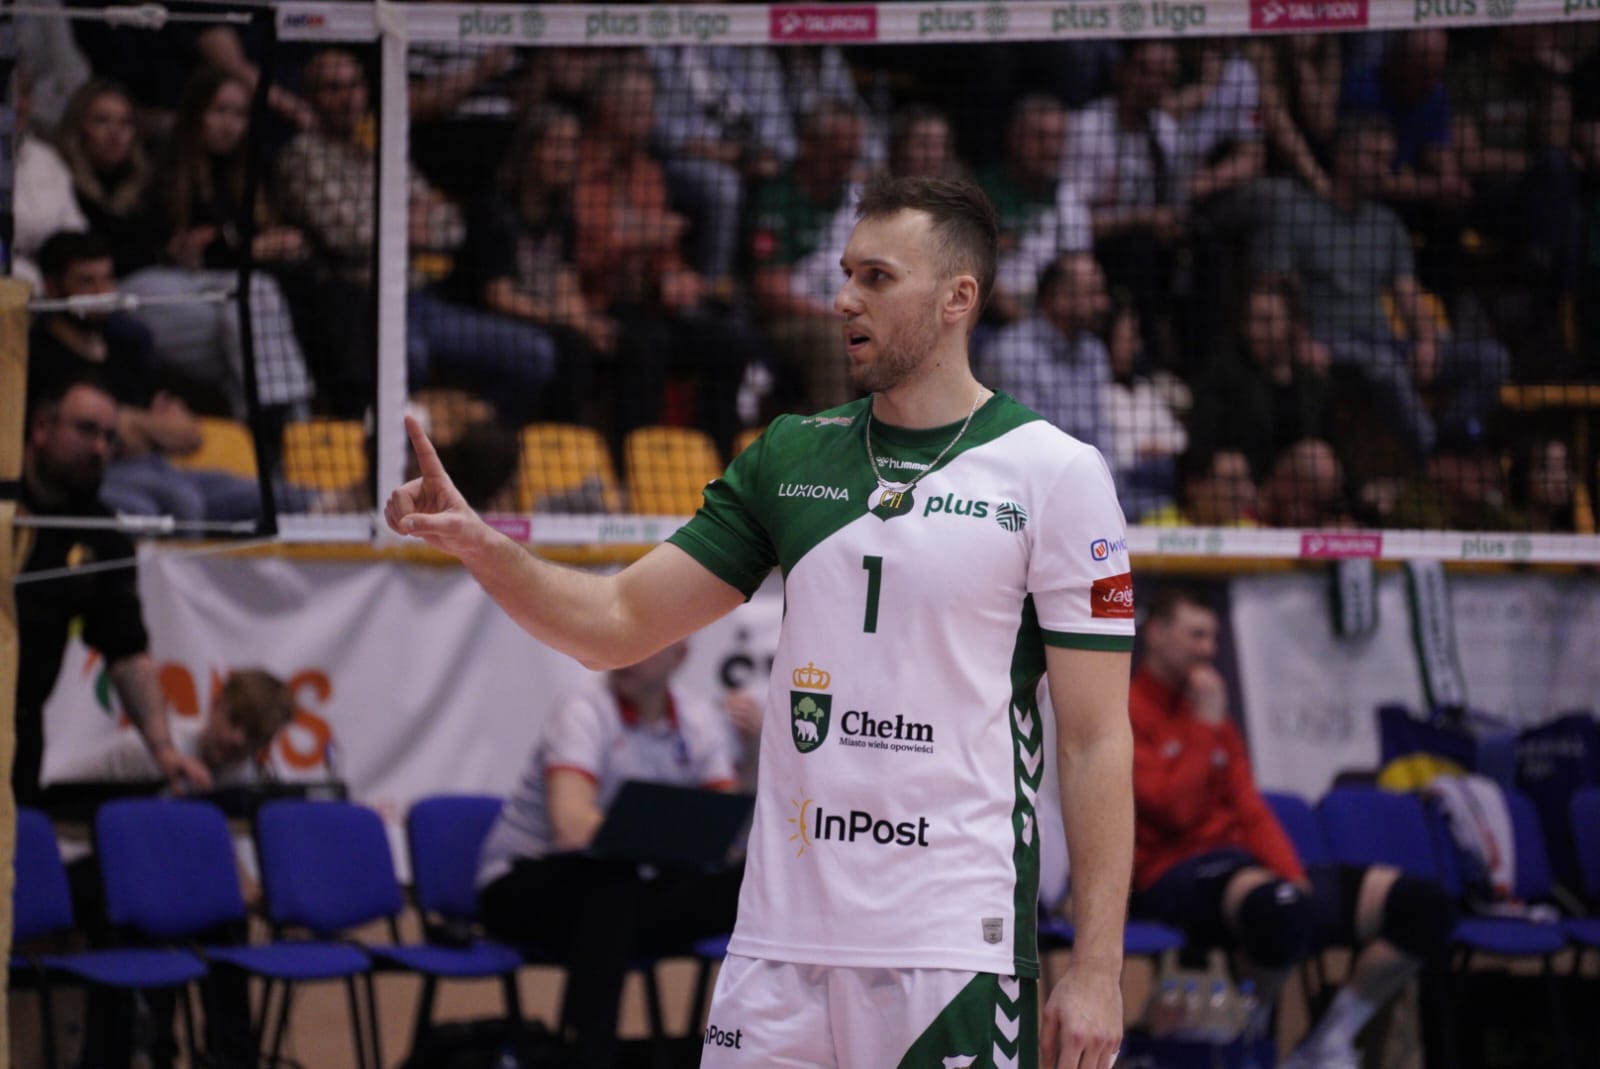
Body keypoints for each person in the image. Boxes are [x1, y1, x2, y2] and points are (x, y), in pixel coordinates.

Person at [388, 174, 1134, 1069]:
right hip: (778, 949)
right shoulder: (790, 454)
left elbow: (1094, 738)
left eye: (877, 277)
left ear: (957, 299)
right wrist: (481, 545)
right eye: (845, 273)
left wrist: (1098, 967)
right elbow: (615, 622)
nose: (844, 298)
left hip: (949, 947)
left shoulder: (1055, 474)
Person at [1130, 588, 1456, 1069]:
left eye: (1213, 637)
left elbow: (1251, 809)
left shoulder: (1212, 716)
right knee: (1277, 907)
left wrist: (1293, 875)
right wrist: (1202, 729)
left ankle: (1329, 1040)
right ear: (1156, 634)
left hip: (1242, 869)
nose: (1208, 649)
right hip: (1170, 875)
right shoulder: (1132, 711)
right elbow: (1173, 811)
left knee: (1424, 905)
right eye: (1196, 635)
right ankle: (1252, 1038)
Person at [476, 640, 745, 1069]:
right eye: (622, 641)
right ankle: (590, 1056)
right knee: (612, 880)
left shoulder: (698, 719)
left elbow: (724, 832)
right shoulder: (583, 710)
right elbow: (572, 828)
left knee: (747, 885)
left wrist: (753, 750)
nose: (627, 653)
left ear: (679, 656)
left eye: (644, 643)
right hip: (525, 887)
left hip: (630, 895)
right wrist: (679, 839)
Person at [15, 371, 211, 806]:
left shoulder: (102, 534)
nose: (100, 449)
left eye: (109, 437)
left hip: (18, 732)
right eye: (86, 430)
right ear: (41, 428)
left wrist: (163, 750)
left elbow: (127, 653)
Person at [30, 230, 264, 525]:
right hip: (100, 474)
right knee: (178, 503)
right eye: (87, 282)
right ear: (52, 288)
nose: (101, 293)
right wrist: (144, 428)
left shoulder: (128, 341)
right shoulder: (37, 353)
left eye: (107, 279)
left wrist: (137, 427)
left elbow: (187, 433)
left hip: (157, 466)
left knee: (268, 495)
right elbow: (111, 432)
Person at [50, 668, 293, 786]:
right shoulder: (148, 751)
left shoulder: (243, 774)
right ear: (215, 704)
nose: (238, 739)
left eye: (254, 734)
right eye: (235, 720)